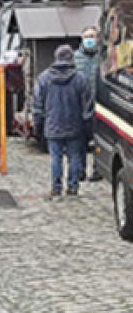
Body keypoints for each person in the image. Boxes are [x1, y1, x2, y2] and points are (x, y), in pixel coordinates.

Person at [32, 45, 91, 198]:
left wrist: (37, 126)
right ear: (71, 58)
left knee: (55, 158)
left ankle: (56, 187)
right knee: (74, 158)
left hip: (52, 124)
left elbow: (37, 105)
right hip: (75, 125)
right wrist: (88, 127)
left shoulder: (44, 78)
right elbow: (87, 106)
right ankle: (72, 187)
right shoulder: (80, 79)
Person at [73, 26, 102, 182]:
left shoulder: (102, 58)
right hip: (80, 106)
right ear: (82, 39)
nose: (90, 39)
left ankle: (97, 169)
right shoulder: (74, 57)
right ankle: (80, 170)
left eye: (93, 36)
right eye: (87, 36)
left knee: (98, 139)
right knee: (80, 142)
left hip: (99, 106)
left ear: (98, 39)